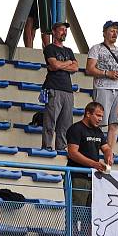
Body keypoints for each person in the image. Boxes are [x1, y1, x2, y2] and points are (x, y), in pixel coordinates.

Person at [66, 102, 113, 236]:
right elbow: (72, 153)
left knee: (89, 218)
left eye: (101, 115)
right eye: (98, 115)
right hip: (77, 176)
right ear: (88, 113)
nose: (100, 119)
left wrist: (108, 154)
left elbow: (106, 147)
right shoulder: (76, 129)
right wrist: (94, 164)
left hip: (93, 179)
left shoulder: (98, 131)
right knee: (75, 215)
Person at [87, 20, 118, 151]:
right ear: (104, 32)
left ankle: (109, 155)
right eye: (112, 30)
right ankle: (94, 151)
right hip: (102, 88)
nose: (115, 33)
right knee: (98, 122)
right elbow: (89, 69)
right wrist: (107, 73)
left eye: (116, 31)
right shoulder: (96, 48)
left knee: (115, 123)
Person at [41, 22, 77, 151]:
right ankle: (47, 147)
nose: (64, 32)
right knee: (50, 121)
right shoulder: (50, 48)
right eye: (61, 29)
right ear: (54, 32)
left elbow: (75, 67)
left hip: (68, 89)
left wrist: (60, 64)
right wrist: (67, 63)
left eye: (65, 30)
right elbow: (54, 65)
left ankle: (61, 147)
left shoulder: (69, 50)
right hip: (54, 88)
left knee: (66, 123)